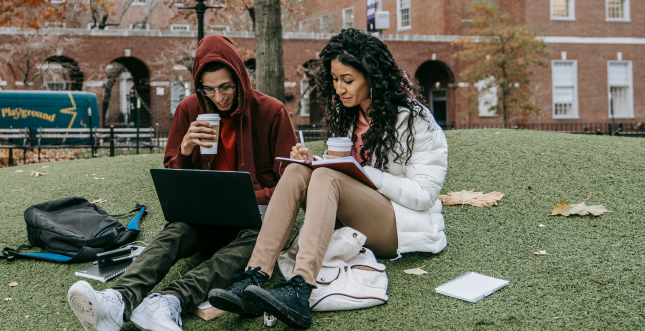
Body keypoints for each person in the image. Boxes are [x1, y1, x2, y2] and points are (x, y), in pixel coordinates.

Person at [208, 28, 449, 329]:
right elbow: (343, 173)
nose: (339, 89)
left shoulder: (414, 119)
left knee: (326, 178)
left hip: (397, 223)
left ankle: (300, 286)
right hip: (353, 215)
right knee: (298, 170)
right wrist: (315, 160)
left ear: (373, 76)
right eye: (335, 80)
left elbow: (424, 194)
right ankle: (253, 275)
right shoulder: (350, 117)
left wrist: (357, 172)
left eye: (348, 80)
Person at [66, 35, 296, 331]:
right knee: (174, 232)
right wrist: (186, 148)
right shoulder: (189, 109)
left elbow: (291, 181)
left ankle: (169, 301)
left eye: (226, 86)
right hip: (204, 217)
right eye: (209, 89)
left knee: (253, 242)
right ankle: (117, 299)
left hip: (254, 219)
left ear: (240, 78)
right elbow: (173, 176)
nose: (219, 96)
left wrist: (255, 197)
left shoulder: (272, 111)